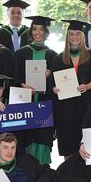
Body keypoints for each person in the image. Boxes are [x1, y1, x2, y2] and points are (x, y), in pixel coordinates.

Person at [14, 15, 57, 165]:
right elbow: (15, 77)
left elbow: (56, 84)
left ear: (45, 32)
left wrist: (50, 75)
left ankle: (43, 172)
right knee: (26, 137)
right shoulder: (21, 53)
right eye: (34, 29)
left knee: (42, 136)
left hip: (44, 103)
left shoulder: (53, 55)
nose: (37, 32)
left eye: (41, 29)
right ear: (31, 32)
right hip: (26, 101)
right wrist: (23, 85)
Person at [52, 20, 91, 158]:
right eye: (71, 34)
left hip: (86, 105)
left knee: (85, 139)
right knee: (68, 140)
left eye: (78, 33)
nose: (74, 37)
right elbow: (53, 83)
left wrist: (87, 86)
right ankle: (68, 173)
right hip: (66, 107)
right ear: (67, 36)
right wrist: (55, 89)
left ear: (83, 35)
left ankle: (87, 175)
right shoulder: (59, 58)